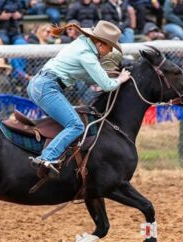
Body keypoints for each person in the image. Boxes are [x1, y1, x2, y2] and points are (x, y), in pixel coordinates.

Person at [27, 20, 131, 173]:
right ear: (101, 44)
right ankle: (47, 157)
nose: (109, 52)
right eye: (110, 48)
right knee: (76, 125)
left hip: (39, 85)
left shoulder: (81, 44)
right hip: (47, 87)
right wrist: (120, 79)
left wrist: (106, 76)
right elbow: (107, 85)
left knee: (70, 120)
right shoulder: (87, 55)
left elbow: (88, 77)